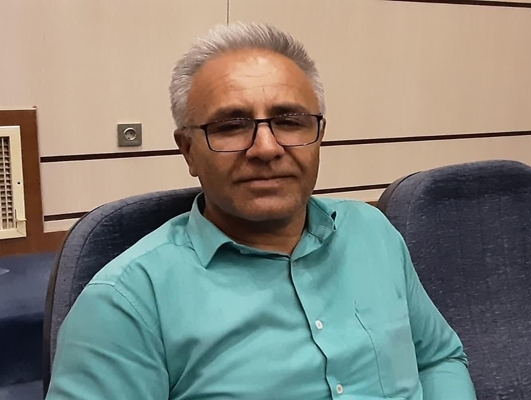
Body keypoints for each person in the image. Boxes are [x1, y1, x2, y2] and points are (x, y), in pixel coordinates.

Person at [46, 22, 476, 400]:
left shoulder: (372, 231)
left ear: (319, 135)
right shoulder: (125, 303)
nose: (266, 148)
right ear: (188, 150)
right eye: (231, 126)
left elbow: (438, 358)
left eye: (289, 121)